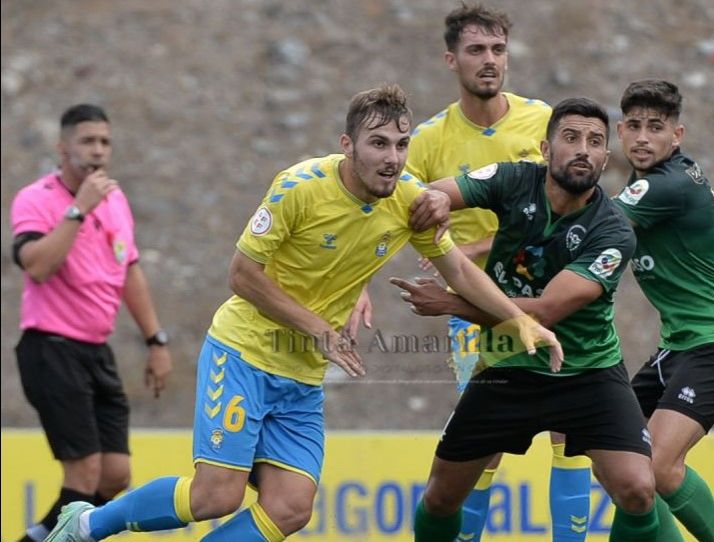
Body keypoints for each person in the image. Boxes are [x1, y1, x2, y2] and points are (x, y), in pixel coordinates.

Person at [45, 84, 561, 542]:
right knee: (215, 497)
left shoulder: (407, 201)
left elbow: (459, 272)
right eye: (378, 144)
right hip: (244, 353)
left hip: (301, 374)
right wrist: (317, 327)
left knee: (291, 508)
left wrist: (519, 320)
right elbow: (242, 275)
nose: (392, 158)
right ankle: (86, 525)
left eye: (402, 145)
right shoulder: (300, 186)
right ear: (347, 146)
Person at [395, 97, 661, 541]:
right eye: (571, 138)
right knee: (441, 498)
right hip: (506, 366)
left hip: (587, 373)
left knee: (638, 488)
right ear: (545, 148)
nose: (583, 149)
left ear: (605, 159)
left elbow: (545, 313)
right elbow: (430, 193)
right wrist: (435, 202)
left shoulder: (613, 231)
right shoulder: (511, 179)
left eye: (595, 142)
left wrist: (452, 303)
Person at [406, 4, 592, 540]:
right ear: (451, 59)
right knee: (481, 448)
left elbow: (571, 206)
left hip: (554, 295)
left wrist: (478, 241)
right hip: (478, 308)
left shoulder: (544, 123)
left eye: (498, 50)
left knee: (571, 432)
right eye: (476, 50)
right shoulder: (429, 140)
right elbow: (395, 212)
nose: (489, 61)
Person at [9, 103, 173, 542]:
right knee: (84, 474)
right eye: (87, 141)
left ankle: (36, 538)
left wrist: (155, 341)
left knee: (115, 475)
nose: (98, 151)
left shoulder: (116, 202)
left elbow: (130, 272)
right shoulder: (37, 198)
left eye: (105, 141)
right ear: (63, 148)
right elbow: (36, 266)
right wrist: (77, 209)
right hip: (51, 347)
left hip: (96, 351)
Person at [613, 80, 714, 542]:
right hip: (680, 346)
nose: (642, 137)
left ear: (677, 136)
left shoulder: (666, 185)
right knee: (621, 460)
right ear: (620, 131)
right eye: (634, 126)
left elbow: (589, 228)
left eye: (655, 127)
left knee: (656, 463)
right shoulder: (651, 183)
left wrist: (479, 245)